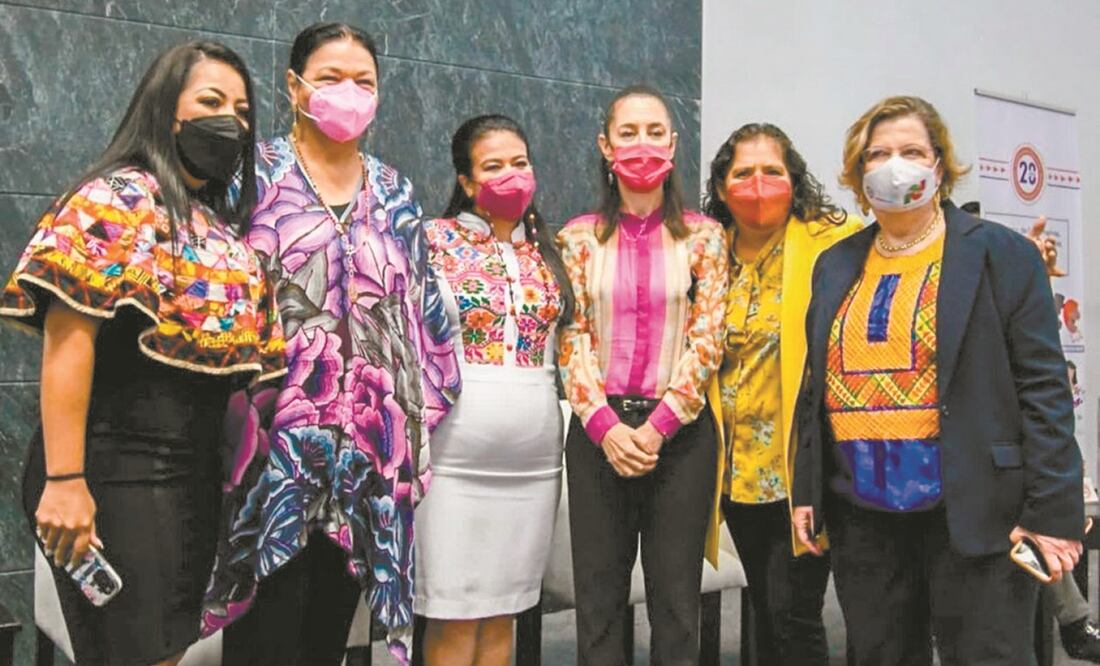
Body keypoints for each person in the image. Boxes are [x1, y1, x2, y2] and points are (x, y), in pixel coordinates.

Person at [0, 41, 283, 665]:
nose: (229, 122)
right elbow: (68, 340)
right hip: (111, 464)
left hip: (191, 474)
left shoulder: (219, 231)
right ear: (164, 110)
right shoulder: (114, 200)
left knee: (167, 650)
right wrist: (65, 481)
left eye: (241, 111)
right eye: (210, 102)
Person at [200, 22, 461, 666]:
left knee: (327, 641)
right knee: (264, 638)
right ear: (293, 87)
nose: (349, 92)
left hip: (367, 459)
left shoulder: (396, 191)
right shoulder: (249, 176)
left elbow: (425, 316)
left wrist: (413, 428)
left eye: (363, 81)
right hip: (267, 457)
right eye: (330, 78)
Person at [792, 95, 1084, 665]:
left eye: (910, 151)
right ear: (857, 172)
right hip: (863, 513)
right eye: (878, 153)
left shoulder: (1002, 255)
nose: (894, 164)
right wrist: (807, 489)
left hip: (977, 509)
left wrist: (1052, 513)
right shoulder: (835, 263)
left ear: (940, 166)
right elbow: (814, 388)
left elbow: (1044, 393)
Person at [557, 84, 728, 665]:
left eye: (655, 131)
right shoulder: (577, 237)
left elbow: (708, 340)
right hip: (596, 434)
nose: (642, 143)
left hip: (679, 440)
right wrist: (604, 426)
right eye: (628, 133)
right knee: (599, 603)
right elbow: (570, 336)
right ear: (606, 146)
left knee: (677, 604)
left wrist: (656, 427)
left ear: (675, 145)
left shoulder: (704, 236)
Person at [415, 114, 574, 666]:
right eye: (493, 166)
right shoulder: (429, 242)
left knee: (506, 611)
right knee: (454, 615)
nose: (511, 175)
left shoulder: (554, 253)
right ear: (465, 180)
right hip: (453, 462)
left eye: (520, 162)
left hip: (533, 464)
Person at [700, 123, 861, 665]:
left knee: (794, 613)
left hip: (804, 470)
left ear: (795, 180)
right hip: (735, 473)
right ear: (722, 187)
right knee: (770, 612)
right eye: (743, 173)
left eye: (773, 171)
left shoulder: (834, 243)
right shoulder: (709, 252)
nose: (759, 183)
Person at [962, 199, 1100, 663]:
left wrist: (1031, 277)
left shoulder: (1008, 286)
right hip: (964, 467)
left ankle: (1073, 622)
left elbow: (1040, 379)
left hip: (1012, 459)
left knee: (1048, 500)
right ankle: (1075, 622)